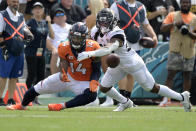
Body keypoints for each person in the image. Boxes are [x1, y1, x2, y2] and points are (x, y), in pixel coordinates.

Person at [77, 8, 191, 112]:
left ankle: (182, 97)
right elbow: (91, 43)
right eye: (101, 21)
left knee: (152, 88)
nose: (103, 24)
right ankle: (125, 102)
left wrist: (90, 54)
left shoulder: (117, 32)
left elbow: (109, 48)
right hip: (118, 65)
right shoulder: (94, 31)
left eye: (106, 21)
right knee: (104, 87)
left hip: (132, 63)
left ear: (113, 21)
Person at [6, 22, 101, 111]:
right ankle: (22, 105)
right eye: (74, 37)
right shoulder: (63, 46)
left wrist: (94, 80)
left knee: (92, 96)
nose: (76, 41)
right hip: (68, 76)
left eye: (79, 38)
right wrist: (63, 73)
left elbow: (97, 69)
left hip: (83, 81)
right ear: (70, 36)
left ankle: (61, 106)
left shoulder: (94, 47)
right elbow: (63, 63)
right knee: (36, 88)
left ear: (85, 38)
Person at [108, 0, 158, 104]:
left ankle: (128, 98)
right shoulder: (116, 5)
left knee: (132, 72)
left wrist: (154, 36)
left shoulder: (140, 6)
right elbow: (111, 24)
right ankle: (122, 99)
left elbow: (146, 24)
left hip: (136, 43)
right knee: (122, 71)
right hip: (121, 43)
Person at [160, 0, 196, 106]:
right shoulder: (173, 15)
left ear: (190, 4)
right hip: (175, 50)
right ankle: (166, 99)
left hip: (189, 50)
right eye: (183, 3)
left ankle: (185, 99)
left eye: (187, 3)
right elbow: (162, 28)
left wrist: (187, 31)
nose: (185, 4)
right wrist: (174, 23)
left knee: (187, 75)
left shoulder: (194, 18)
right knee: (170, 75)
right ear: (180, 4)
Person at [0, 0, 33, 106]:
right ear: (8, 2)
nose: (16, 3)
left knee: (14, 76)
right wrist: (4, 48)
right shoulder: (2, 15)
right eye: (13, 1)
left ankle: (10, 99)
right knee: (3, 75)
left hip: (19, 49)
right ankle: (0, 98)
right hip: (7, 49)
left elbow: (24, 29)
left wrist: (28, 33)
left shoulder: (21, 16)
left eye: (17, 1)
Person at [25, 2, 54, 96]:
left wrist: (49, 23)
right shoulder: (30, 22)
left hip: (41, 53)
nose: (38, 10)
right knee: (32, 75)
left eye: (40, 8)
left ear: (43, 10)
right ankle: (27, 95)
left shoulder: (45, 22)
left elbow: (52, 36)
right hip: (31, 52)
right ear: (32, 10)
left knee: (41, 76)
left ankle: (35, 96)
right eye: (35, 8)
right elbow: (26, 34)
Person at [47, 8, 72, 75]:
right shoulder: (51, 27)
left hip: (69, 50)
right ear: (53, 19)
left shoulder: (71, 27)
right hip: (57, 50)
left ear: (65, 17)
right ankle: (54, 76)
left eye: (62, 14)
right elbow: (47, 40)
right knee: (56, 53)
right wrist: (53, 48)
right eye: (57, 15)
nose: (60, 16)